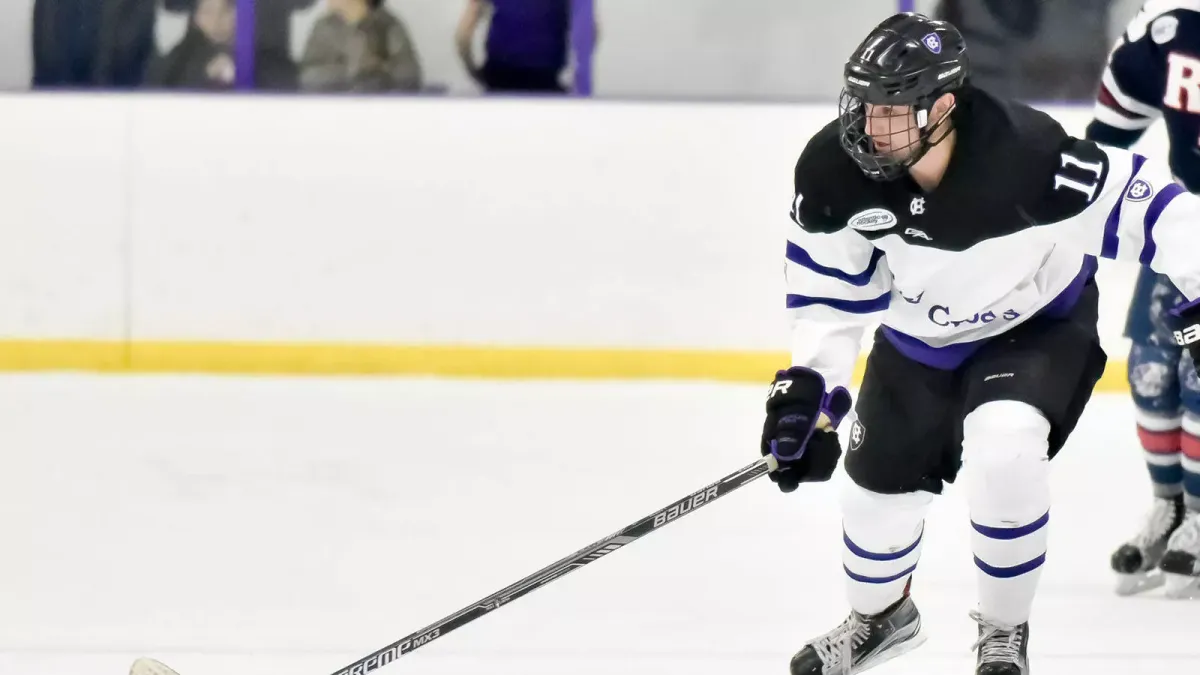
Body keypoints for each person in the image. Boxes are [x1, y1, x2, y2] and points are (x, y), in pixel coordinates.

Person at [760, 12, 1200, 675]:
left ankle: (1004, 631)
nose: (864, 125)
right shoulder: (832, 174)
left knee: (1005, 448)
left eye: (888, 110)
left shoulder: (1027, 154)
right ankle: (880, 619)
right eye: (862, 103)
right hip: (920, 337)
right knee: (874, 500)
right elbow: (830, 293)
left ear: (941, 108)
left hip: (1038, 325)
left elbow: (1160, 209)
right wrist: (812, 392)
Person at [1083, 1, 1200, 600]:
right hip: (1187, 231)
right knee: (1153, 370)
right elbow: (1105, 138)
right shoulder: (1168, 26)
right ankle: (1170, 509)